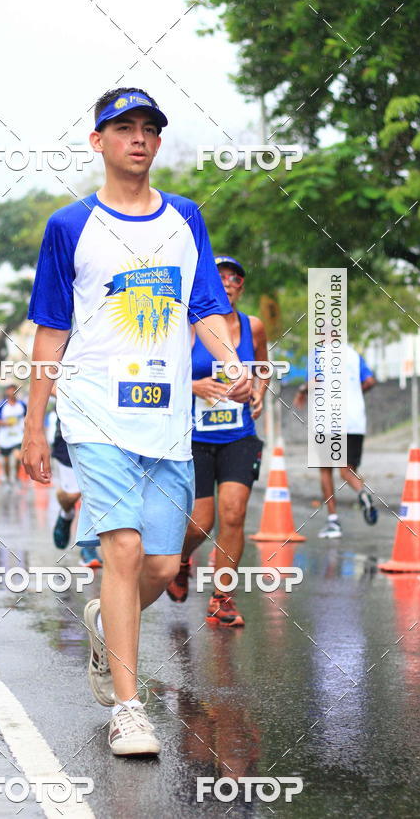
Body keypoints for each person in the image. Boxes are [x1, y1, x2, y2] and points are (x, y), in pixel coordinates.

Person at [21, 86, 252, 757]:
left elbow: (204, 302)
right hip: (94, 414)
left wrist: (233, 361)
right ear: (99, 142)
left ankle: (104, 620)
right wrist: (36, 424)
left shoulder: (185, 218)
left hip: (168, 419)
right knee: (120, 551)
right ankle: (129, 708)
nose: (140, 137)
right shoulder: (69, 226)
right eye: (124, 127)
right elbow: (51, 328)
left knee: (159, 562)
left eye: (150, 127)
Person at [166, 256, 267, 626]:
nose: (227, 282)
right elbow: (161, 374)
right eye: (220, 275)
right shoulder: (186, 326)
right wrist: (193, 385)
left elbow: (262, 369)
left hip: (238, 436)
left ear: (241, 286)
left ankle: (222, 598)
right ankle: (180, 561)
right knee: (200, 524)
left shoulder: (252, 327)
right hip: (193, 438)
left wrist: (258, 392)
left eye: (235, 277)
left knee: (235, 514)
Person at [293, 343, 378, 538]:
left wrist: (302, 390)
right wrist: (354, 394)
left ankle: (333, 522)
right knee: (347, 471)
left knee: (326, 470)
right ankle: (362, 493)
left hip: (329, 421)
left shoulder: (318, 354)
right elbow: (370, 381)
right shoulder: (354, 355)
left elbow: (316, 380)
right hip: (355, 420)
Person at [51, 413, 102, 569]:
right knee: (71, 495)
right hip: (70, 433)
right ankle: (66, 514)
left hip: (103, 432)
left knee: (93, 492)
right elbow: (50, 388)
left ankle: (89, 549)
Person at [0, 385, 27, 487]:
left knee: (18, 457)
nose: (12, 394)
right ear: (7, 393)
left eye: (14, 391)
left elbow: (27, 416)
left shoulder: (22, 405)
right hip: (5, 438)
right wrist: (5, 423)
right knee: (6, 460)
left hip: (18, 436)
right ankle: (7, 479)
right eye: (10, 392)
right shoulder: (2, 405)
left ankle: (16, 476)